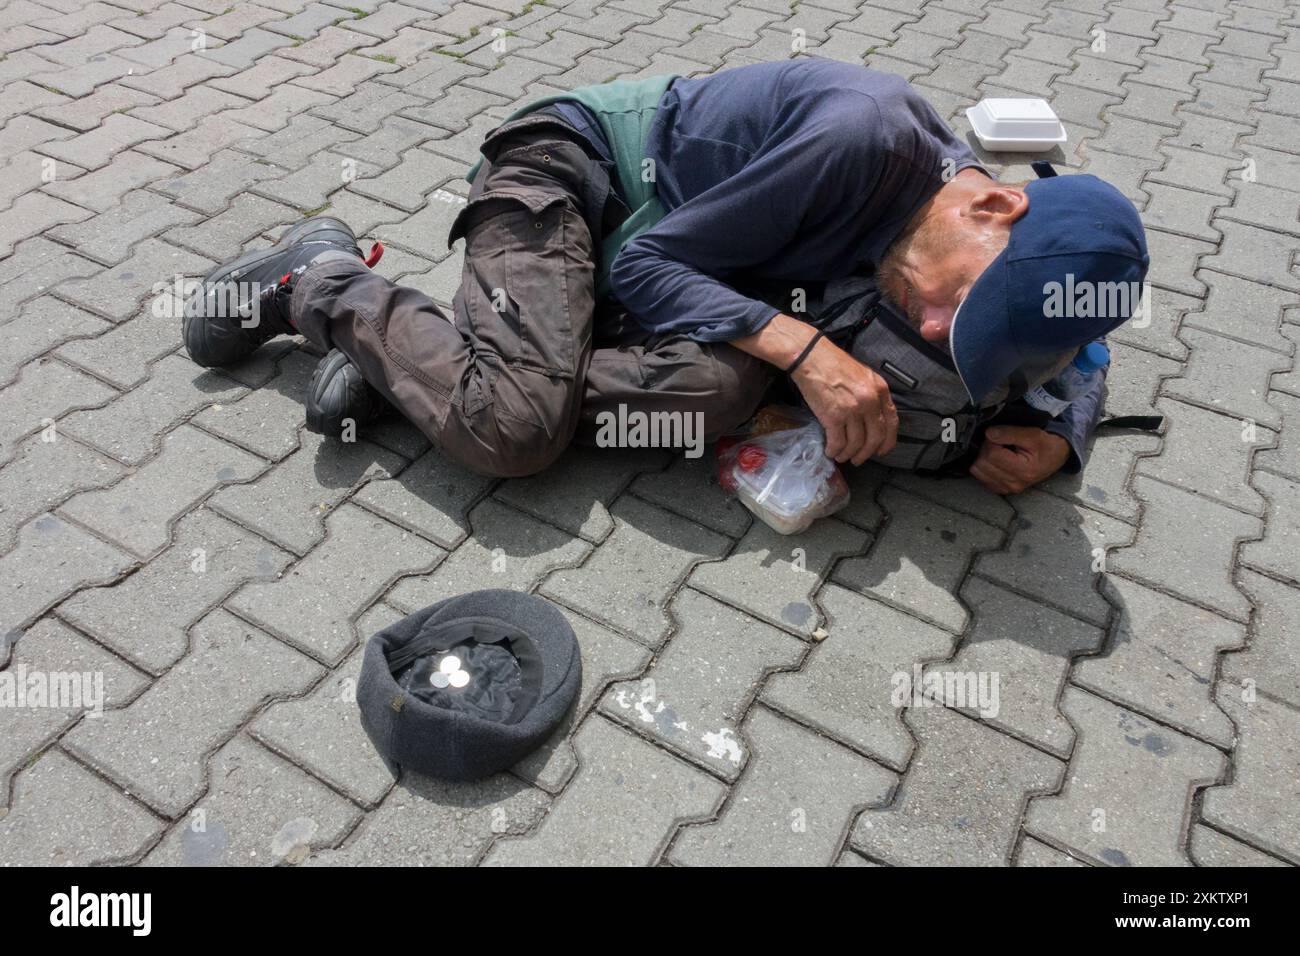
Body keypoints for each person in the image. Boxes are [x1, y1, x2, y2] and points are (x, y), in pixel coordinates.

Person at [182, 59, 1148, 492]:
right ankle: (320, 280)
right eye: (963, 307)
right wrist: (805, 348)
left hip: (660, 258)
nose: (940, 329)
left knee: (719, 392)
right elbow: (648, 261)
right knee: (516, 432)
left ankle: (440, 366)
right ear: (993, 206)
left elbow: (1083, 344)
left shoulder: (973, 245)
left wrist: (1065, 431)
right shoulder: (864, 139)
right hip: (573, 178)